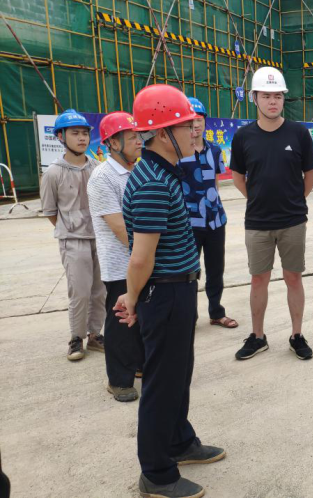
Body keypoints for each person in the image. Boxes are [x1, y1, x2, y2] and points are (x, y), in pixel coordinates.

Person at [114, 85, 225, 498]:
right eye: (185, 127)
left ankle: (180, 442)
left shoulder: (163, 173)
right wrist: (131, 297)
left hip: (177, 289)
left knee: (178, 376)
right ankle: (157, 474)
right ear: (163, 134)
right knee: (162, 384)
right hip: (164, 294)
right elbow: (141, 257)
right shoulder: (153, 183)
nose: (195, 133)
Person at [229, 67, 313, 361]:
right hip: (257, 223)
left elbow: (311, 176)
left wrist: (294, 201)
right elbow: (238, 177)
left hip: (293, 222)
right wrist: (257, 199)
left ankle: (296, 335)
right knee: (258, 279)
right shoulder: (243, 136)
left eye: (278, 96)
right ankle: (258, 336)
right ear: (254, 98)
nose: (273, 101)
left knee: (293, 277)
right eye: (266, 96)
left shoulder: (298, 133)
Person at [87, 112, 145, 402]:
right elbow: (120, 228)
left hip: (142, 260)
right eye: (132, 136)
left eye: (139, 135)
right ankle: (118, 380)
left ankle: (139, 365)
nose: (139, 141)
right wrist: (148, 252)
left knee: (142, 317)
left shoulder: (139, 170)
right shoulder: (102, 178)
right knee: (121, 321)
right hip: (121, 264)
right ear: (112, 143)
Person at [40, 109, 106, 361]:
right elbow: (50, 212)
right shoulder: (53, 173)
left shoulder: (98, 168)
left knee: (100, 290)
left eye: (85, 133)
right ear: (60, 136)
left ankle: (95, 335)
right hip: (73, 241)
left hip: (100, 238)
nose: (81, 138)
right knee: (79, 291)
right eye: (75, 133)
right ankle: (76, 338)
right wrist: (70, 229)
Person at [178, 97, 238, 329]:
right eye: (190, 120)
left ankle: (216, 312)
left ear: (205, 122)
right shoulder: (177, 152)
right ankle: (188, 316)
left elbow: (215, 182)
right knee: (188, 272)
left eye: (199, 120)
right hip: (188, 222)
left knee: (216, 270)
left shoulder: (214, 150)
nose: (195, 124)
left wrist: (214, 206)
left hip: (215, 220)